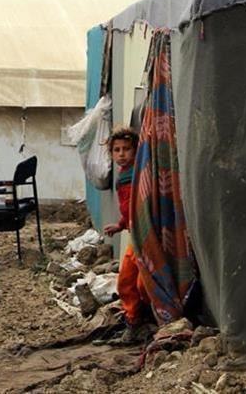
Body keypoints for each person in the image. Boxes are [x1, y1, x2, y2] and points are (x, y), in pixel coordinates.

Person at [103, 126, 151, 344]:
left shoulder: (139, 173)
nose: (121, 154)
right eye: (117, 150)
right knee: (127, 280)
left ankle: (144, 321)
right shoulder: (124, 175)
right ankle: (134, 323)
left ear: (136, 150)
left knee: (140, 283)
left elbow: (139, 204)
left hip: (147, 234)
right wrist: (120, 225)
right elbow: (128, 208)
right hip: (136, 233)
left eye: (126, 149)